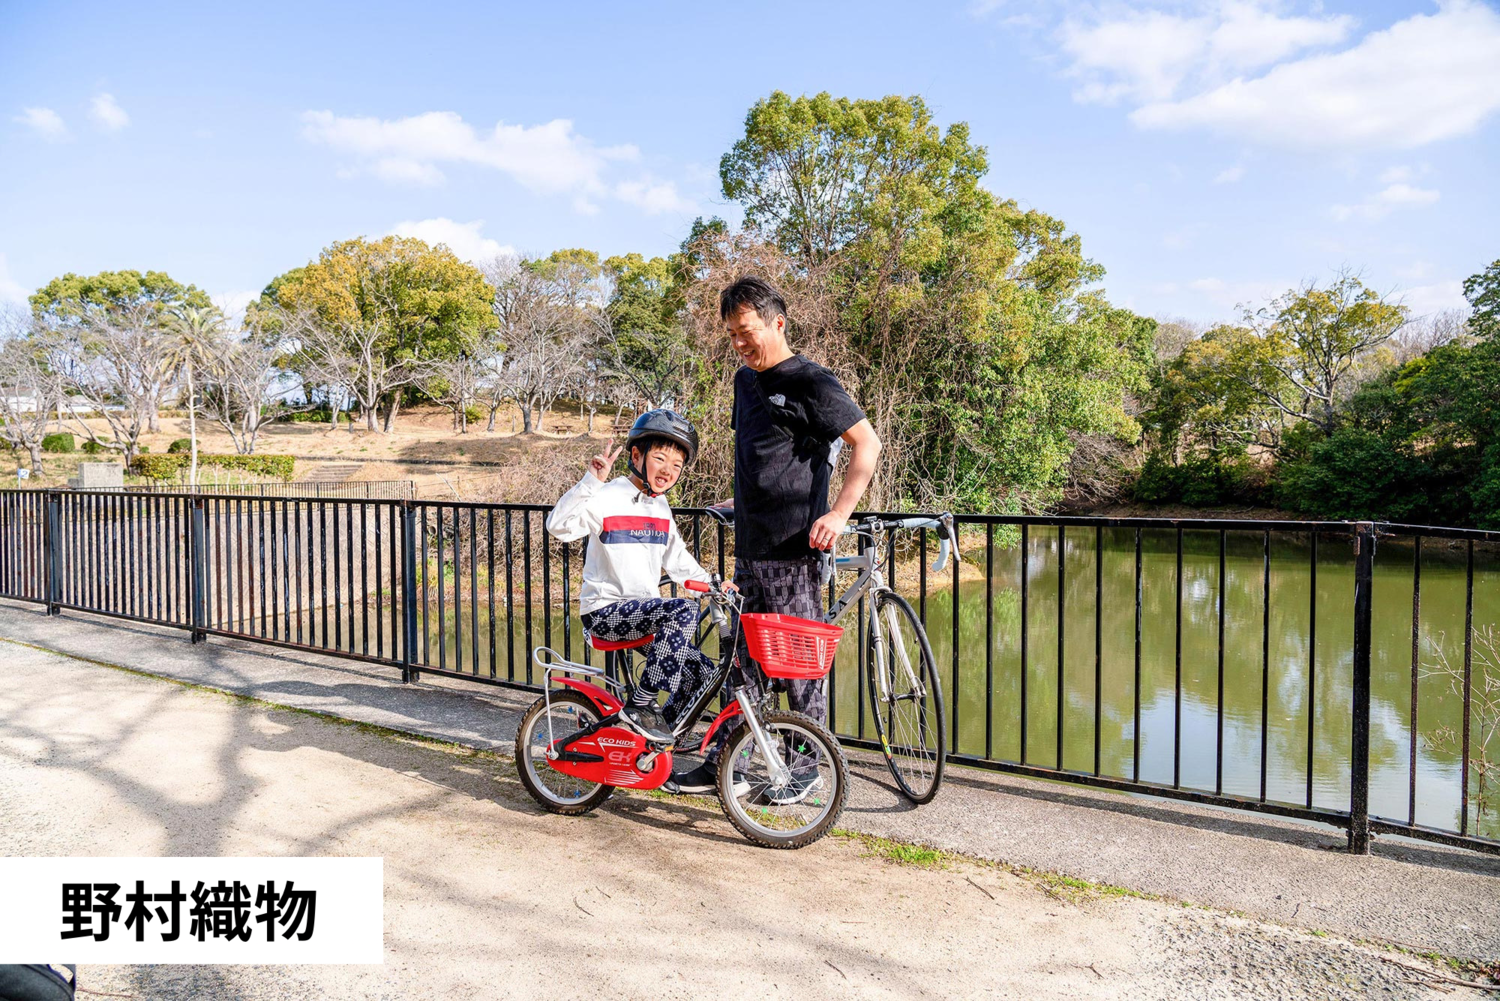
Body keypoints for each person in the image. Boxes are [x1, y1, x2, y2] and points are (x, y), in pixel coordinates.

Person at [665, 276, 881, 794]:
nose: (739, 344)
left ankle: (805, 770)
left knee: (796, 666)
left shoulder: (812, 381)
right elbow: (765, 457)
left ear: (776, 322)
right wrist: (739, 503)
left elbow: (866, 446)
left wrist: (839, 514)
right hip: (751, 549)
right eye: (732, 335)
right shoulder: (744, 383)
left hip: (795, 551)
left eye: (746, 331)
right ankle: (728, 764)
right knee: (739, 663)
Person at [544, 409, 720, 743]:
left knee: (703, 674)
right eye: (660, 458)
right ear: (636, 456)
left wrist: (713, 584)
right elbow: (558, 526)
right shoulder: (607, 496)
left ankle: (653, 746)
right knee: (682, 610)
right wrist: (590, 481)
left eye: (677, 465)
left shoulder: (660, 506)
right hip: (604, 613)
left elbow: (678, 560)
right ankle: (641, 704)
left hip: (645, 615)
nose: (668, 470)